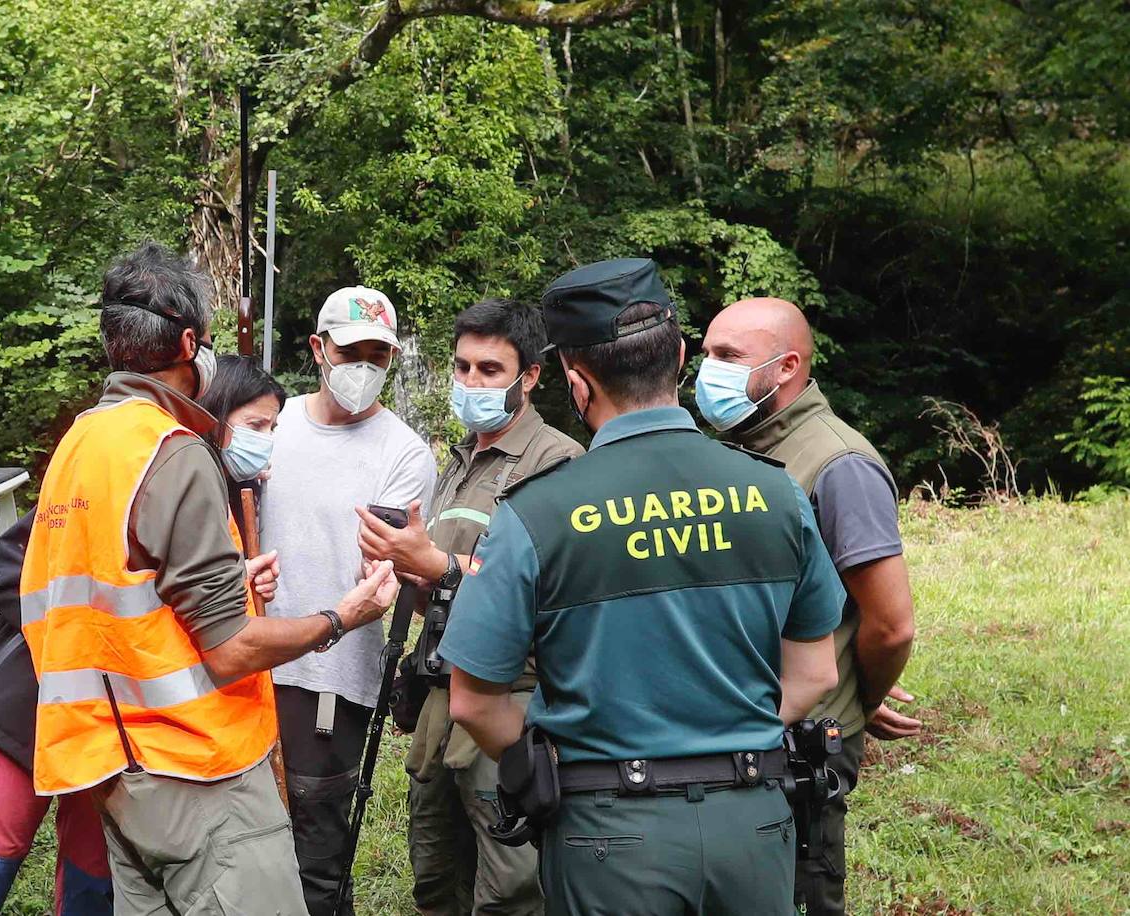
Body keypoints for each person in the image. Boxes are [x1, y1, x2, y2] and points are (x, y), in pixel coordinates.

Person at [441, 258, 847, 916]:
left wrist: (564, 763)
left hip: (607, 834)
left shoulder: (534, 513)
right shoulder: (775, 492)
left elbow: (473, 702)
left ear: (576, 382)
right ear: (680, 357)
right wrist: (723, 741)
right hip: (753, 825)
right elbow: (816, 672)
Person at [19, 244, 401, 915]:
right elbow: (229, 651)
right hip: (197, 767)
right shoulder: (172, 451)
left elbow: (101, 598)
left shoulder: (79, 444)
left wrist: (225, 584)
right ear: (189, 344)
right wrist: (343, 617)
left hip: (114, 768)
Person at [0, 348, 290, 916]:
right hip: (27, 708)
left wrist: (229, 586)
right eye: (256, 425)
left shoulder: (209, 487)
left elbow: (162, 606)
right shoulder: (124, 469)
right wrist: (86, 637)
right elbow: (9, 571)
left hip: (111, 733)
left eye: (273, 429)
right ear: (216, 415)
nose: (265, 442)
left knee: (92, 881)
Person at [355, 298, 582, 915]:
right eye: (462, 367)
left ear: (529, 377)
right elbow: (443, 588)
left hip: (512, 706)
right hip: (440, 703)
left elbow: (552, 589)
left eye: (489, 369)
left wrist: (437, 565)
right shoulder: (458, 463)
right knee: (435, 881)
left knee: (510, 891)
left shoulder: (558, 463)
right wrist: (400, 568)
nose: (471, 382)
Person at [699, 297, 919, 916]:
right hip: (737, 723)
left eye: (727, 356)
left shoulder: (838, 465)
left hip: (802, 740)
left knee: (798, 892)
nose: (708, 371)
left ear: (787, 367)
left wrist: (860, 698)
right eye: (707, 354)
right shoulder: (737, 447)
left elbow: (891, 624)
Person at [259, 286, 438, 916]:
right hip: (247, 661)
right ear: (318, 348)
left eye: (377, 356)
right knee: (249, 845)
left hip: (330, 678)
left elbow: (389, 563)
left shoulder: (405, 453)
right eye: (350, 352)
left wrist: (381, 569)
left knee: (317, 855)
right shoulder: (270, 427)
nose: (363, 367)